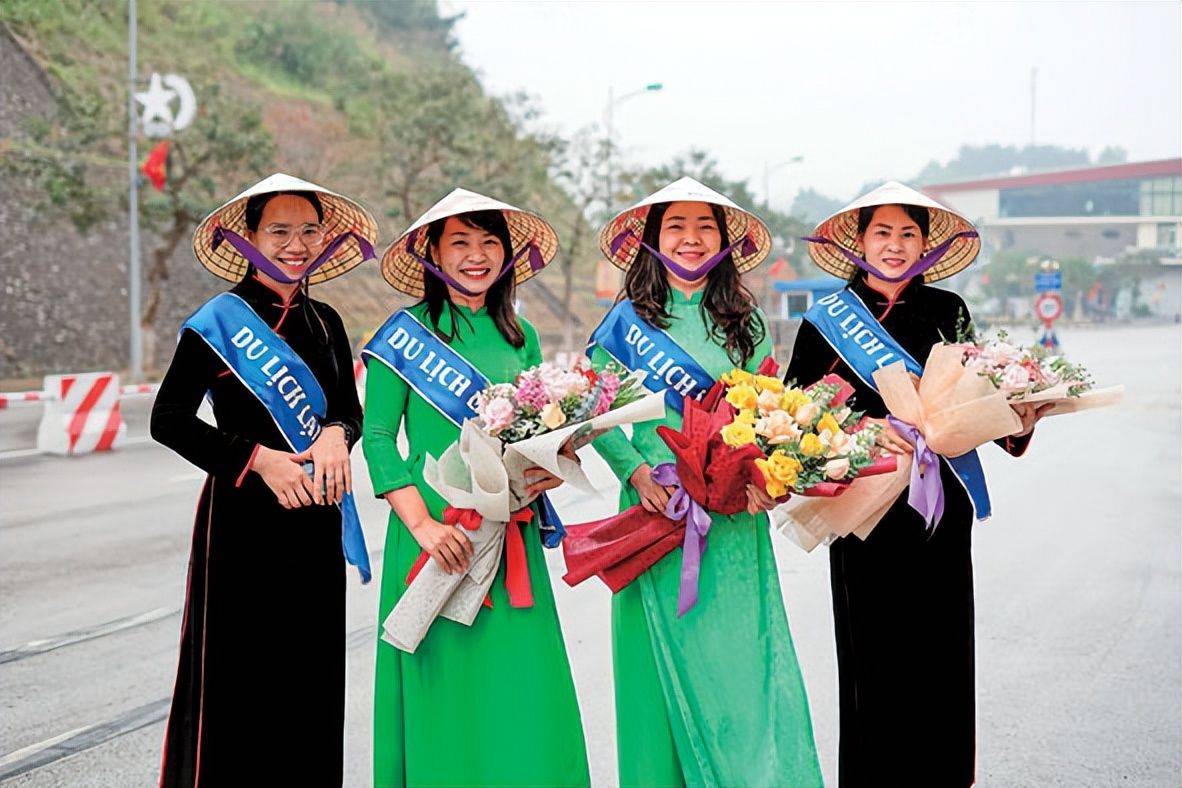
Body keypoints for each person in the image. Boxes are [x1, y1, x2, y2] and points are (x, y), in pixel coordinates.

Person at [786, 180, 1051, 787]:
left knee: (941, 644)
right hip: (865, 505)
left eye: (909, 233)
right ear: (858, 242)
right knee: (871, 650)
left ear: (925, 245)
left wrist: (1021, 417)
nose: (896, 245)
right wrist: (865, 428)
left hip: (941, 504)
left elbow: (977, 397)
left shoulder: (946, 310)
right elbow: (798, 412)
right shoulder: (824, 322)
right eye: (883, 232)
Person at [587, 177, 823, 787]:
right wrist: (635, 470)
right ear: (652, 238)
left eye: (704, 227)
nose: (690, 239)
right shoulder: (624, 323)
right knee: (657, 669)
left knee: (741, 662)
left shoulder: (746, 321)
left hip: (733, 521)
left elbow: (769, 414)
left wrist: (766, 478)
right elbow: (596, 410)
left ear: (723, 239)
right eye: (676, 226)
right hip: (656, 509)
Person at [152, 173, 377, 786]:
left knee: (312, 676)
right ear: (249, 238)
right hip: (241, 523)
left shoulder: (327, 321)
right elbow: (167, 419)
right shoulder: (219, 322)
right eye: (279, 231)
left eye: (309, 231)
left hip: (316, 520)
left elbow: (347, 411)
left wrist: (336, 434)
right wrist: (258, 459)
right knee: (240, 679)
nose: (295, 245)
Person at [362, 188, 590, 787]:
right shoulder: (405, 333)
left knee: (520, 678)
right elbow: (379, 437)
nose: (476, 255)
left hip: (508, 528)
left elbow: (540, 433)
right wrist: (422, 526)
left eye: (490, 242)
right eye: (460, 241)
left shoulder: (521, 335)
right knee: (445, 681)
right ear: (433, 252)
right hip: (436, 534)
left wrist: (552, 464)